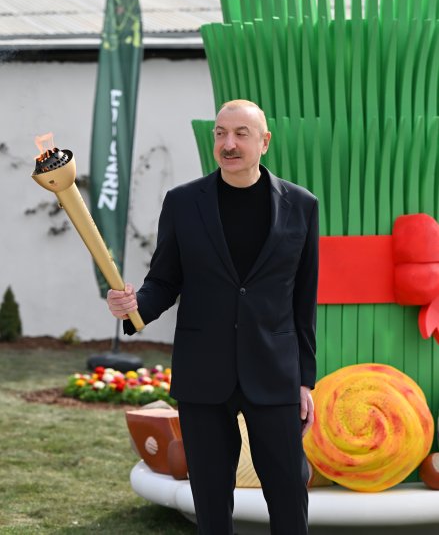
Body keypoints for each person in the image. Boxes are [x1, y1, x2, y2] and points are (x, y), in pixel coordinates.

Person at [107, 99, 319, 535]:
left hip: (274, 372)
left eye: (241, 133)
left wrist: (305, 380)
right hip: (203, 373)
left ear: (265, 141)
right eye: (221, 133)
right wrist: (135, 308)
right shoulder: (184, 203)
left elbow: (304, 299)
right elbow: (164, 280)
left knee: (288, 493)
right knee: (210, 499)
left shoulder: (301, 205)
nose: (229, 143)